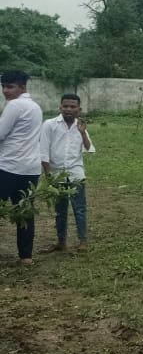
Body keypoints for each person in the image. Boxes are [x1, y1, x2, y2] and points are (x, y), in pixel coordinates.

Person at [41, 94, 95, 253]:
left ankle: (83, 241)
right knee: (60, 210)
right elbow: (43, 151)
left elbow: (89, 149)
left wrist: (83, 133)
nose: (69, 109)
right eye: (65, 106)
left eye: (73, 106)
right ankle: (61, 241)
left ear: (79, 109)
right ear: (60, 107)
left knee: (80, 208)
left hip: (76, 174)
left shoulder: (80, 126)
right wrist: (48, 175)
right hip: (57, 174)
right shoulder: (50, 125)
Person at [0, 71, 45, 264]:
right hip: (30, 168)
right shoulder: (36, 107)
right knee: (25, 211)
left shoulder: (15, 105)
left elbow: (1, 134)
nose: (5, 90)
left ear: (22, 87)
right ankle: (26, 256)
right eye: (3, 86)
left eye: (10, 86)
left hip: (9, 166)